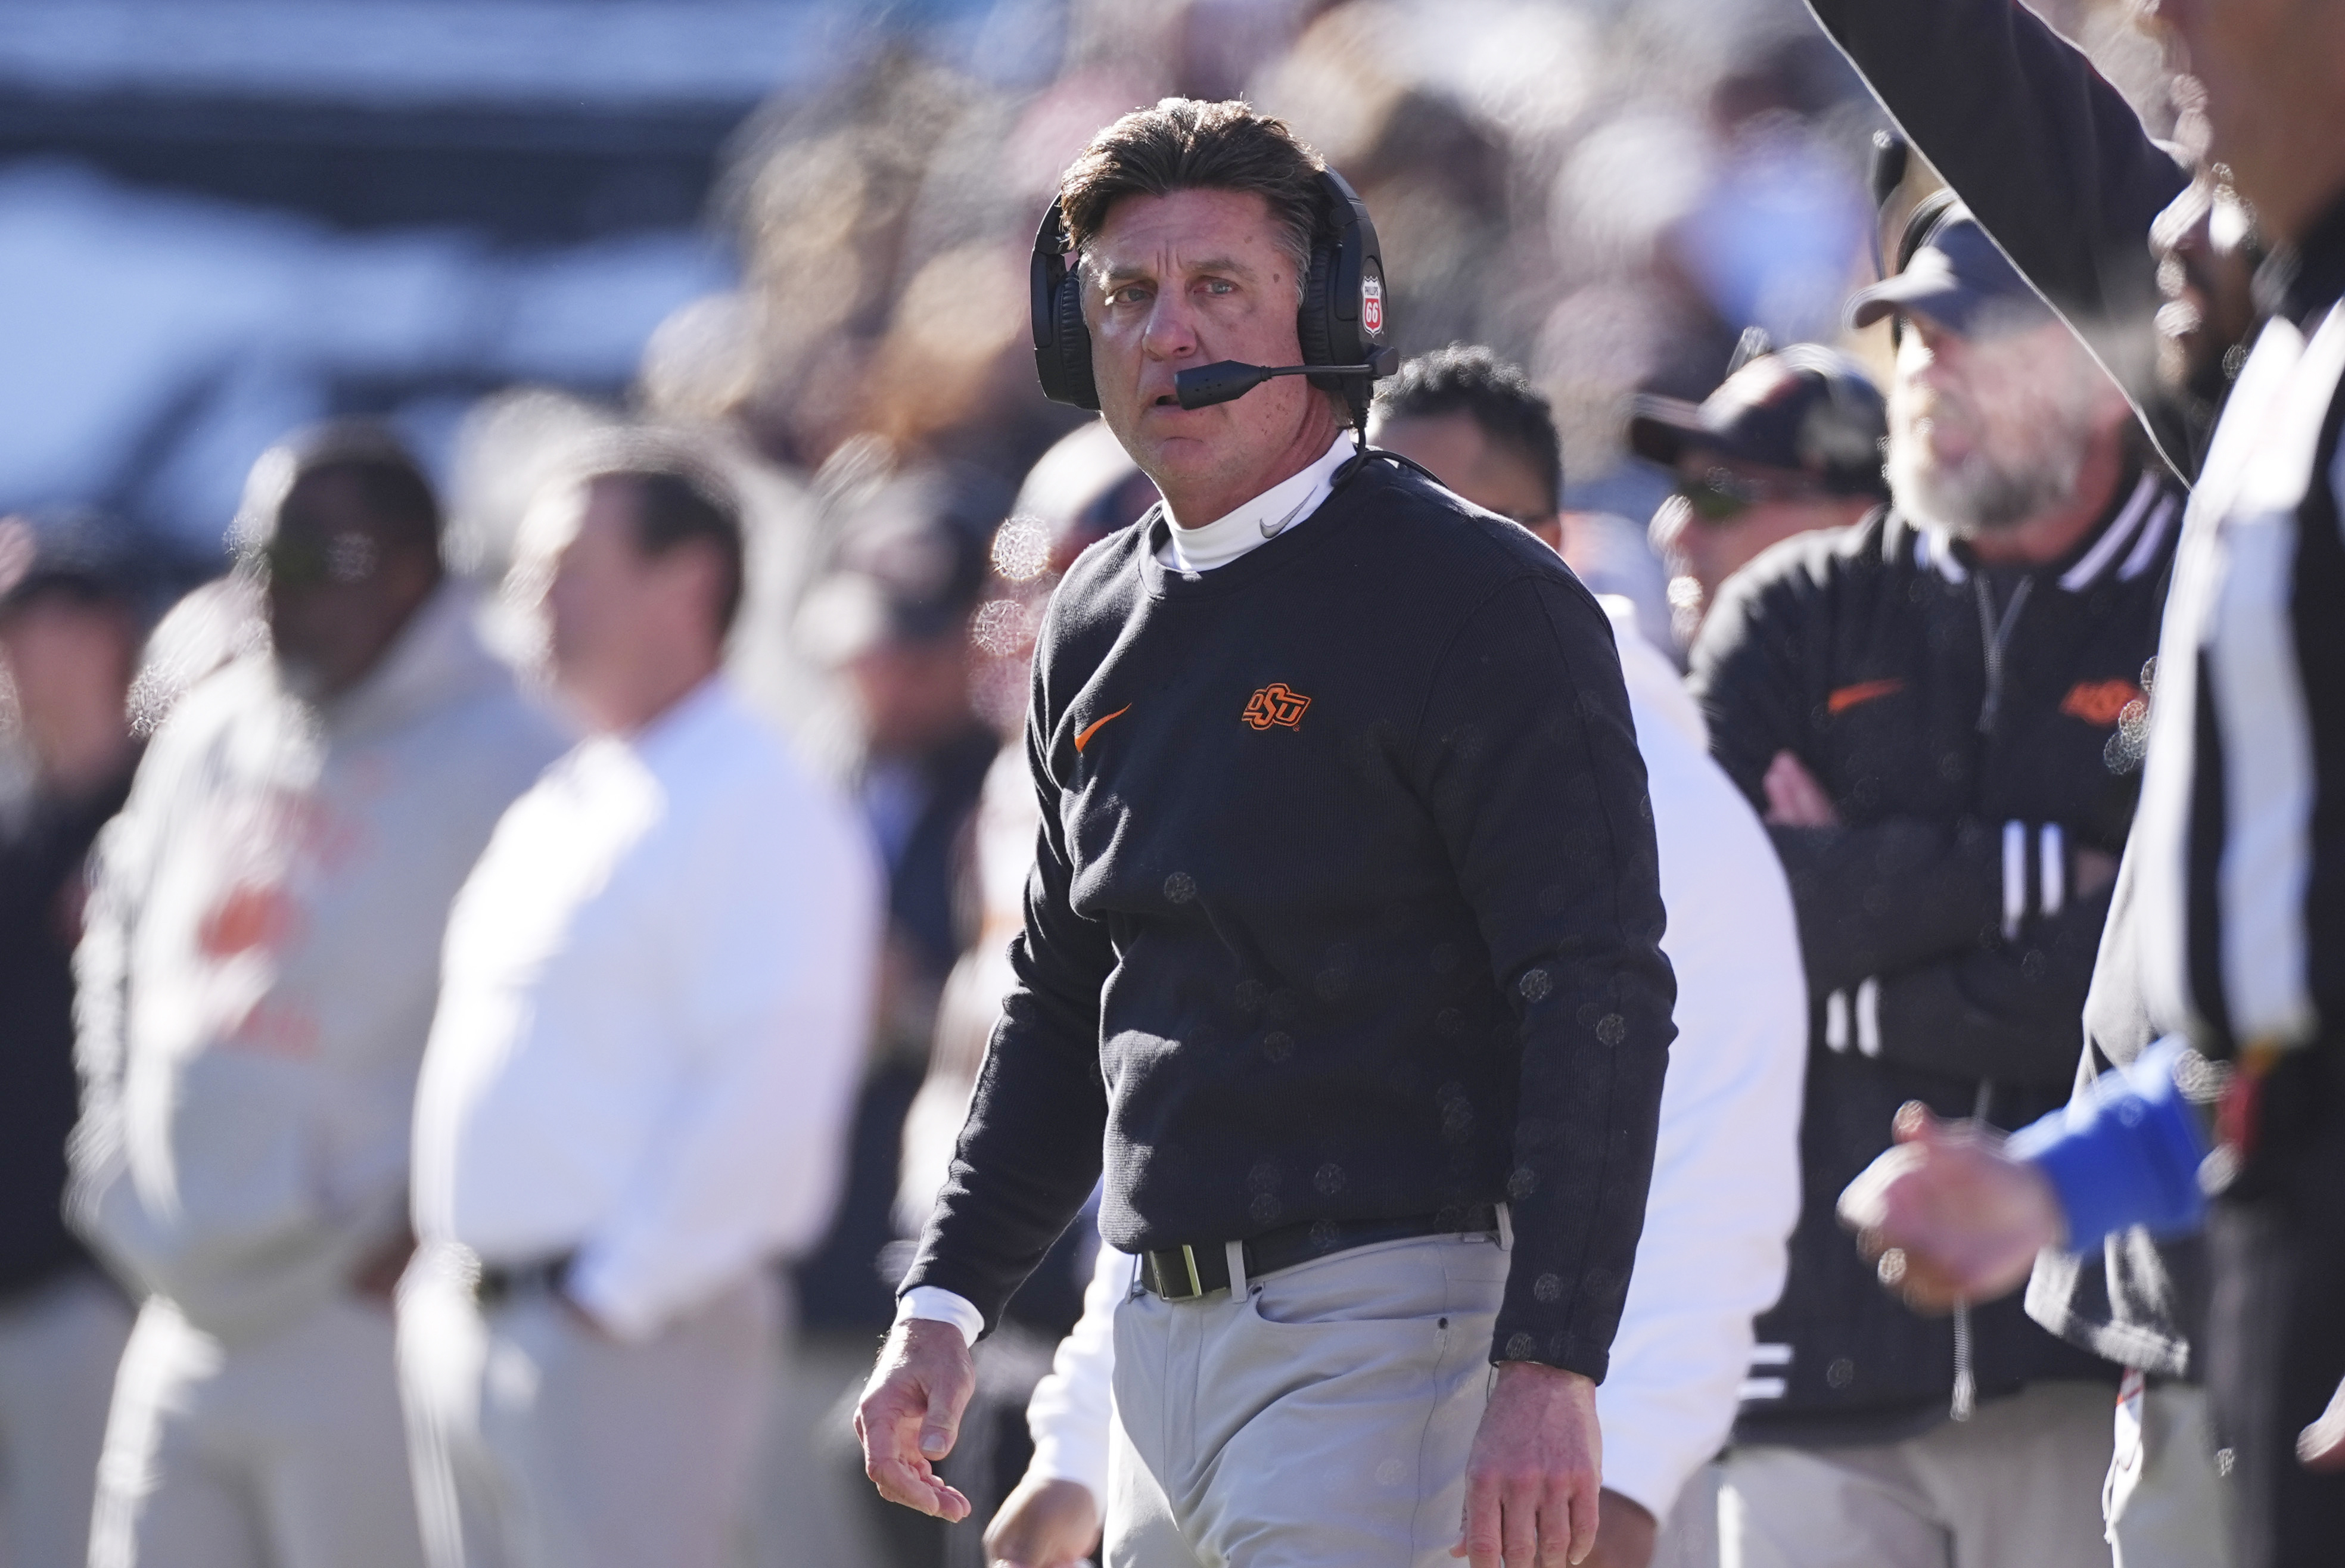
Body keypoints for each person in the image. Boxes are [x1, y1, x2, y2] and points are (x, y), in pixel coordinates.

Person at [858, 99, 1675, 1568]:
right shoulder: (1092, 614)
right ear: (1070, 330)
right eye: (1125, 293)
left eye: (1217, 287)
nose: (1167, 331)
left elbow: (1592, 986)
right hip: (1157, 1331)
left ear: (1330, 313)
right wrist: (946, 1302)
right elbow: (1061, 998)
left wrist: (1550, 1364)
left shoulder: (1477, 597)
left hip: (1389, 1325)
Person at [981, 350, 1809, 1568]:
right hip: (1282, 1433)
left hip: (1553, 1474)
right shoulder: (1299, 744)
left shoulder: (1671, 804)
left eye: (1438, 504)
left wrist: (1620, 1476)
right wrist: (1076, 1435)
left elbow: (1707, 1179)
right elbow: (1190, 1125)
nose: (1383, 539)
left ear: (1547, 538)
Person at [1834, 0, 2345, 1558]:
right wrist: (2057, 1178)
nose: (2156, 19)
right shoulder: (2289, 359)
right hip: (2226, 1298)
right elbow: (2278, 1045)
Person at [1686, 203, 2189, 1568]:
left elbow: (2156, 988)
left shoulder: (2192, 594)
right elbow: (1715, 936)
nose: (1926, 375)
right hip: (1813, 1360)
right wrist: (2038, 871)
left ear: (2097, 369)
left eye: (1972, 340)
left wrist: (1850, 947)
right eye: (1909, 340)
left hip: (2083, 1367)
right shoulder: (1788, 608)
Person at [69, 425, 568, 1568]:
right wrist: (117, 1156)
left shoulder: (516, 753)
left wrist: (426, 1221)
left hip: (361, 1314)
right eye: (257, 562)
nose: (275, 600)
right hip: (180, 1294)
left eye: (313, 566)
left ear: (412, 569)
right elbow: (118, 939)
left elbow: (554, 1018)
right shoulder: (211, 728)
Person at [401, 438, 878, 1568]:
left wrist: (614, 1297)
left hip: (626, 1342)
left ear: (691, 582)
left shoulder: (759, 800)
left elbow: (771, 1085)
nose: (531, 599)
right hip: (484, 1326)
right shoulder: (573, 794)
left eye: (566, 566)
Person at [0, 509, 146, 1567]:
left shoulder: (168, 806)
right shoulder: (14, 833)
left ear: (107, 633)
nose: (17, 655)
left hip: (101, 1287)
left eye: (37, 622)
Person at [1364, 344, 1676, 661]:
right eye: (1364, 509)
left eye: (1434, 521)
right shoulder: (1339, 648)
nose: (1384, 547)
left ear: (1543, 545)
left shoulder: (1606, 687)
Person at [1632, 344, 1888, 642]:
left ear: (1854, 525)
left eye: (1718, 494)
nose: (1672, 534)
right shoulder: (1649, 681)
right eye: (1683, 491)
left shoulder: (1939, 677)